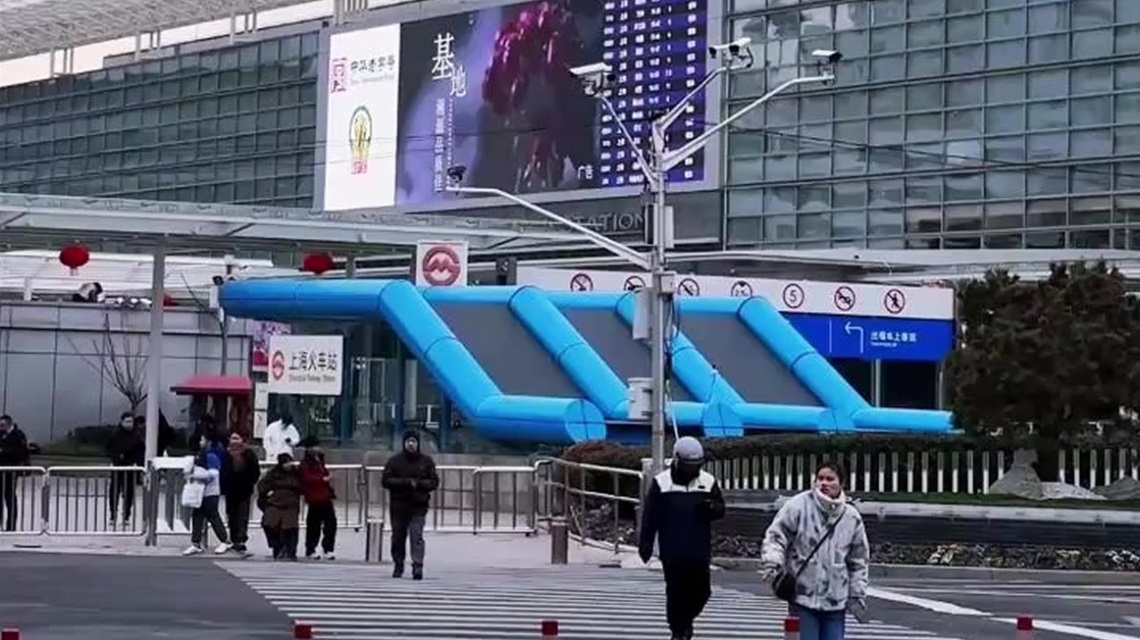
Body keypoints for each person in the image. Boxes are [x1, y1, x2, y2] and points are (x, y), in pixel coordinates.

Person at [759, 461, 870, 640]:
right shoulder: (798, 506)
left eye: (830, 479)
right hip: (802, 597)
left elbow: (858, 559)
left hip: (836, 601)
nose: (823, 483)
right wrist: (773, 563)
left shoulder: (851, 517)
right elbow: (776, 537)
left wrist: (857, 593)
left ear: (842, 484)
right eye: (820, 478)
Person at [638, 437, 725, 640]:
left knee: (703, 592)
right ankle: (678, 630)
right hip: (673, 550)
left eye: (696, 466)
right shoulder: (662, 483)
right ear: (677, 461)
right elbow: (651, 517)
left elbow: (721, 508)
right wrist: (646, 544)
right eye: (688, 466)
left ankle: (685, 622)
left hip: (699, 549)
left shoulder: (708, 481)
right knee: (676, 593)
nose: (692, 470)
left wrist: (712, 508)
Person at [381, 430, 439, 580]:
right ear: (404, 443)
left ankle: (417, 565)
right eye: (408, 441)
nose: (411, 444)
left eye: (414, 441)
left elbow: (434, 482)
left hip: (418, 506)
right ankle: (398, 564)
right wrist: (405, 482)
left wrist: (419, 484)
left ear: (418, 443)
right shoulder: (394, 461)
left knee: (416, 536)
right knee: (398, 537)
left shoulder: (426, 462)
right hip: (399, 505)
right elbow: (386, 481)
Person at [182, 434, 232, 556]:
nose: (200, 442)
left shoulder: (212, 456)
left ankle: (225, 540)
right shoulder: (199, 456)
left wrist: (195, 476)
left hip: (211, 492)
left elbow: (213, 473)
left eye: (203, 439)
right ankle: (196, 543)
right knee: (197, 516)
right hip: (199, 492)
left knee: (213, 516)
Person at [220, 432, 261, 556]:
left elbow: (255, 471)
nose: (234, 441)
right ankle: (234, 539)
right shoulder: (226, 454)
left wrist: (249, 482)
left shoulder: (248, 453)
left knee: (242, 515)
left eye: (237, 438)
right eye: (232, 438)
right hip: (231, 490)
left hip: (244, 490)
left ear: (242, 439)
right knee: (232, 515)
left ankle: (241, 539)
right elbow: (223, 470)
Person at [258, 452, 303, 560]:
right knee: (269, 524)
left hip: (291, 504)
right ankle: (276, 546)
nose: (288, 465)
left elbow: (302, 486)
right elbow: (262, 486)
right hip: (275, 503)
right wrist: (268, 494)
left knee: (290, 528)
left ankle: (290, 551)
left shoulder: (296, 473)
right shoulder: (273, 473)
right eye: (286, 463)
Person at [299, 438, 337, 560]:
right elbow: (306, 478)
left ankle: (328, 548)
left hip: (325, 496)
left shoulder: (320, 460)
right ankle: (310, 549)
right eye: (315, 446)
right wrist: (323, 479)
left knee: (331, 524)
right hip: (314, 497)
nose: (318, 448)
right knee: (313, 525)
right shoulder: (305, 463)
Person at [106, 412, 145, 525]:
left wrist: (138, 465)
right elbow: (109, 449)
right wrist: (115, 458)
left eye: (131, 421)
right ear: (122, 422)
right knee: (114, 492)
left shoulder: (137, 436)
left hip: (131, 469)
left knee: (128, 493)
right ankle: (113, 515)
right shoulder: (115, 435)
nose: (129, 424)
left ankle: (126, 515)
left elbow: (140, 452)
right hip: (117, 468)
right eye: (127, 421)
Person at [0, 415, 30, 532]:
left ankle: (11, 527)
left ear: (9, 424)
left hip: (11, 472)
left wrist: (5, 451)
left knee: (10, 498)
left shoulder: (18, 435)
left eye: (3, 425)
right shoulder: (1, 435)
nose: (1, 428)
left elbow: (22, 452)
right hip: (1, 471)